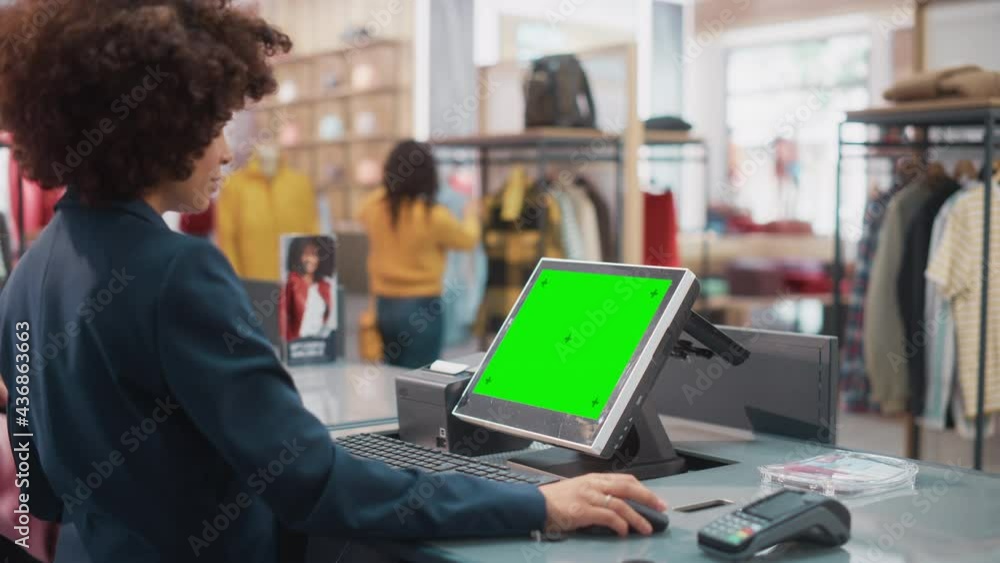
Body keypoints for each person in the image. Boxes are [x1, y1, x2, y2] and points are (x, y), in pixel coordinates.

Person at [0, 2, 666, 562]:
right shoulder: (179, 272)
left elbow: (42, 492)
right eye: (211, 126)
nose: (227, 150)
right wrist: (536, 502)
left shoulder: (25, 278)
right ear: (154, 127)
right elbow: (311, 482)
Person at [358, 140, 480, 368]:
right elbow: (468, 240)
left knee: (390, 377)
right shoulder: (432, 216)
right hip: (422, 307)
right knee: (419, 382)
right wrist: (471, 213)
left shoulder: (375, 209)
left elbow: (364, 207)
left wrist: (392, 184)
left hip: (384, 305)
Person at [281, 236, 337, 340]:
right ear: (298, 256)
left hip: (318, 344)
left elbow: (326, 319)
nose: (310, 259)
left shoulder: (324, 286)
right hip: (297, 345)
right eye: (306, 254)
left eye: (314, 254)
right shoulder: (292, 283)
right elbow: (284, 320)